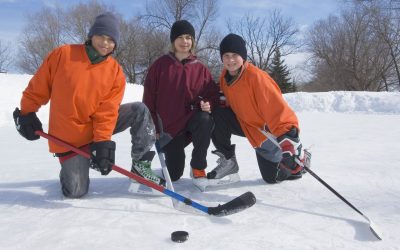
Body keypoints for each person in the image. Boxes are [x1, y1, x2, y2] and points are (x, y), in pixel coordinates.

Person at [12, 12, 164, 199]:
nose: (105, 43)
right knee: (76, 191)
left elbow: (107, 112)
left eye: (111, 39)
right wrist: (27, 112)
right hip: (69, 137)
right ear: (91, 35)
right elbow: (38, 87)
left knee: (139, 110)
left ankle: (140, 164)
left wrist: (102, 144)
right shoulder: (63, 55)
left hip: (96, 129)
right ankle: (74, 165)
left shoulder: (115, 71)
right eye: (101, 36)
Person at [208, 33, 304, 184]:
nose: (230, 60)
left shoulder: (256, 77)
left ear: (243, 56)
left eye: (235, 55)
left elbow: (276, 108)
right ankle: (228, 161)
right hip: (246, 125)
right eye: (226, 55)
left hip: (265, 132)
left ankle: (300, 158)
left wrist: (288, 138)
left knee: (272, 178)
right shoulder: (224, 78)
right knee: (215, 114)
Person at [143, 20, 219, 190]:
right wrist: (153, 125)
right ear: (173, 41)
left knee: (205, 119)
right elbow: (148, 99)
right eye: (180, 37)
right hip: (170, 128)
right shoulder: (160, 66)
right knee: (175, 175)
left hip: (193, 121)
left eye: (188, 37)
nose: (185, 41)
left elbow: (212, 94)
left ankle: (198, 167)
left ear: (192, 41)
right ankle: (165, 167)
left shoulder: (200, 68)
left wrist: (209, 104)